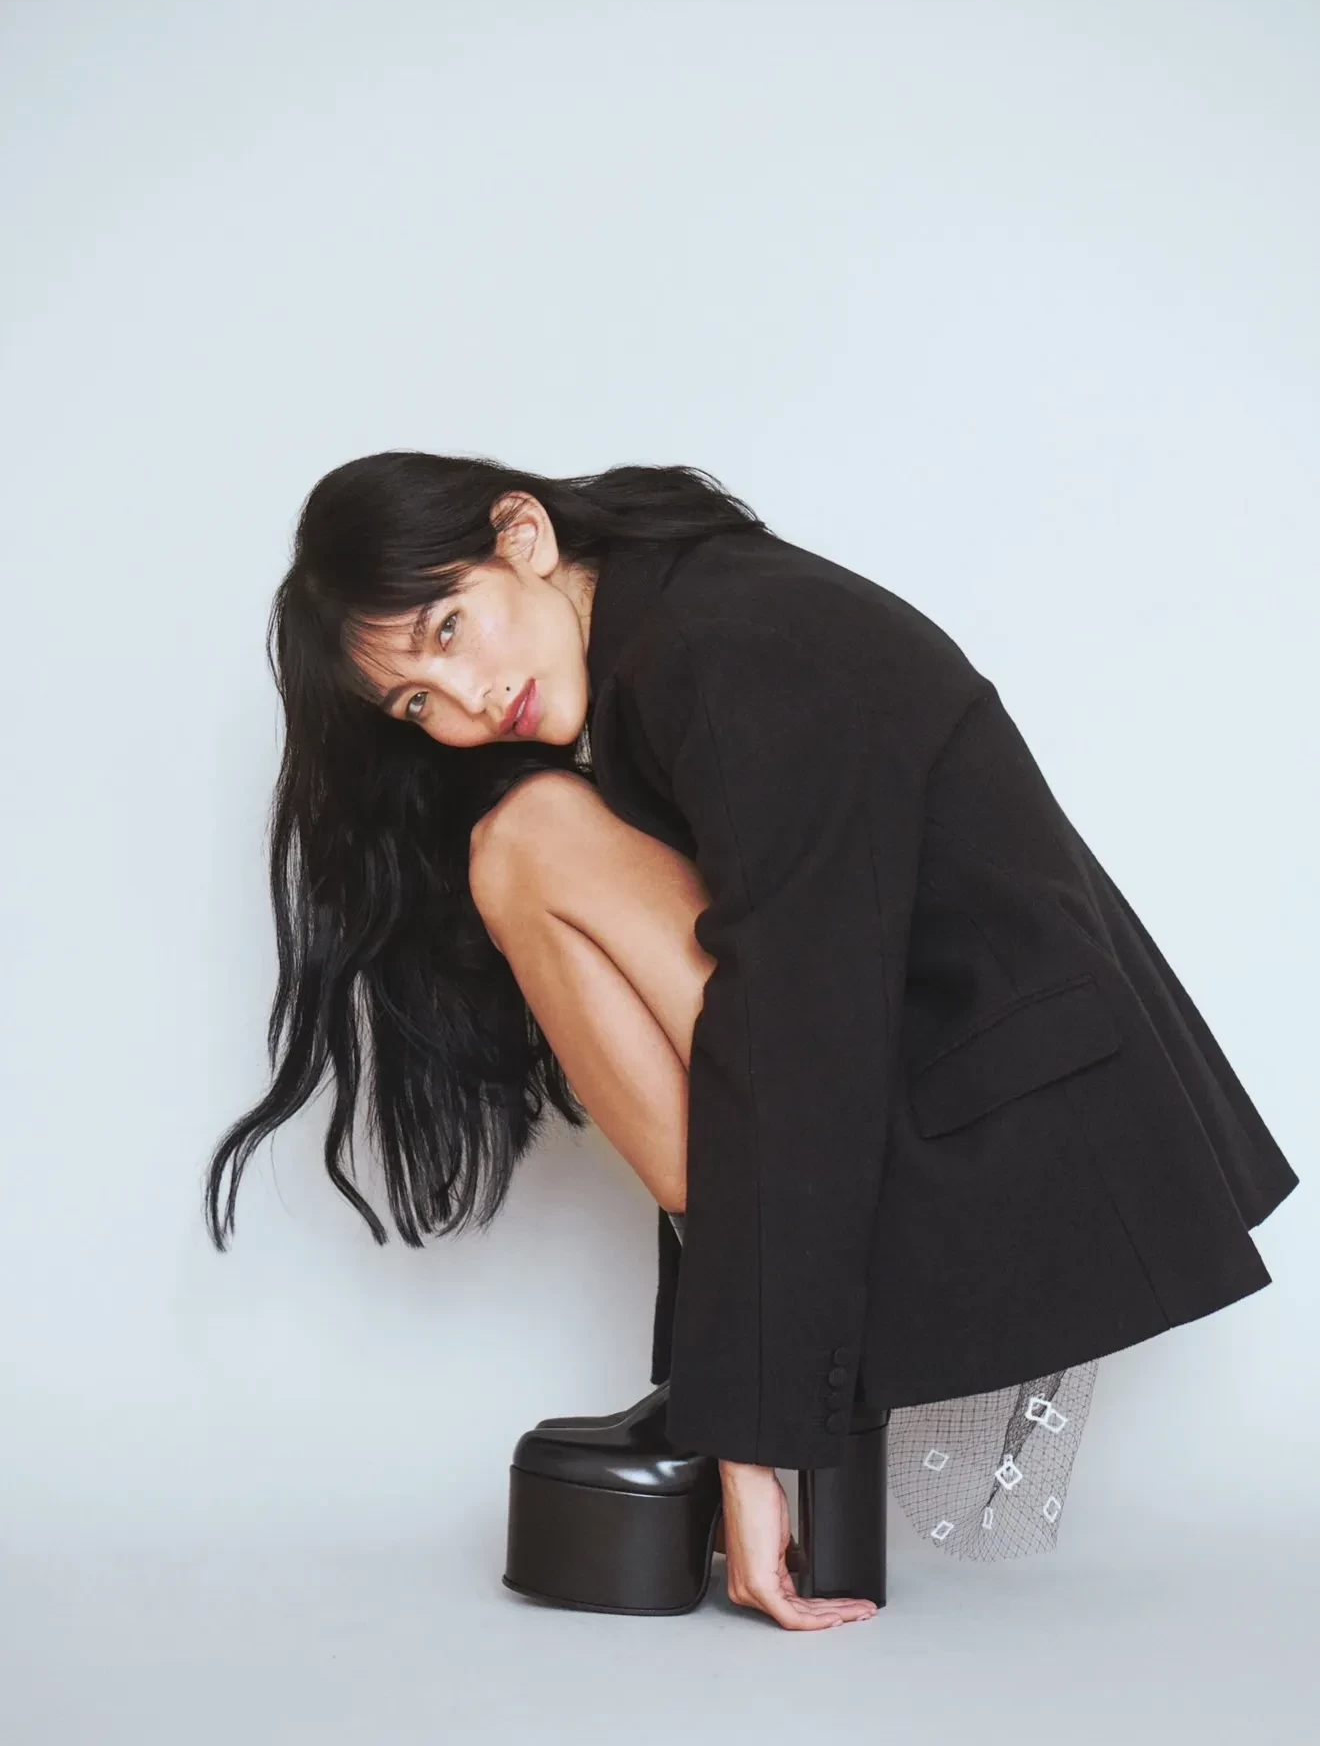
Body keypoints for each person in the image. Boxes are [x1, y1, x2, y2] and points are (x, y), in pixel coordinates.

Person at [205, 451, 1299, 1632]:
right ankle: (755, 1373)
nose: (467, 703)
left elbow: (798, 1039)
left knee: (526, 841)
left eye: (450, 629)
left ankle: (768, 1387)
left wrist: (748, 1427)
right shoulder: (686, 620)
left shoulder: (724, 650)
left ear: (522, 533)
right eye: (417, 703)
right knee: (538, 837)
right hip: (960, 1101)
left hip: (999, 1147)